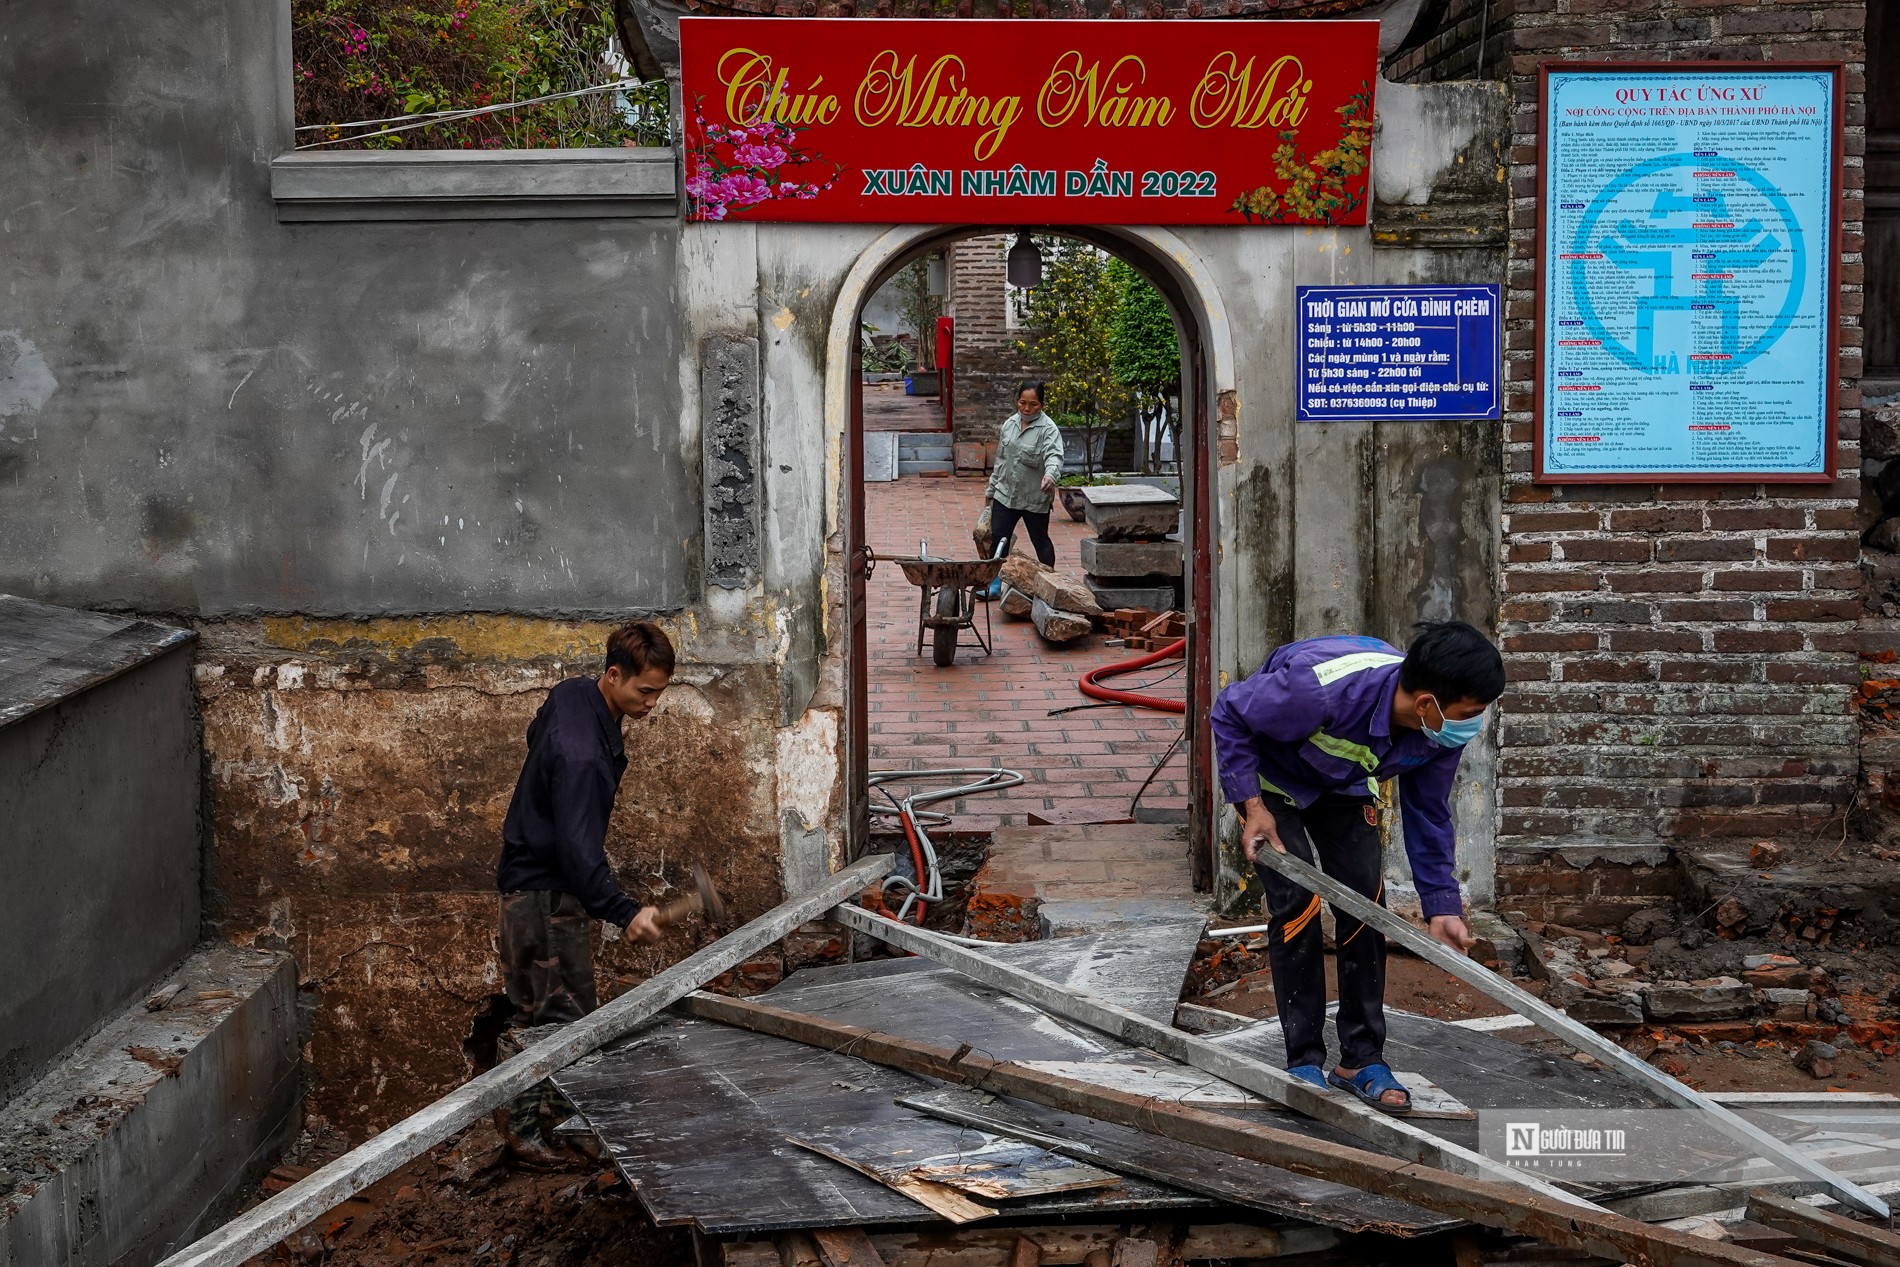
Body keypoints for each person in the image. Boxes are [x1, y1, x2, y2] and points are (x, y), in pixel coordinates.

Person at [1208, 622, 1504, 1114]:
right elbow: (1229, 712)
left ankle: (1360, 1059)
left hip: (1343, 788)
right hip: (1273, 784)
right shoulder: (1317, 693)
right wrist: (1250, 803)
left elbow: (1429, 812)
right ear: (1427, 702)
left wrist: (1441, 905)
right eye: (1470, 712)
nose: (1474, 723)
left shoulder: (1439, 732)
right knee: (1299, 904)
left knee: (1365, 904)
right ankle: (1302, 1059)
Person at [491, 620, 673, 1165]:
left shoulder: (572, 693)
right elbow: (578, 852)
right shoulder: (583, 758)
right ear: (614, 675)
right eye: (645, 691)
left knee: (539, 1010)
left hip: (528, 884)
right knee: (558, 1018)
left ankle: (552, 1128)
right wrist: (624, 911)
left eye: (660, 692)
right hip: (546, 896)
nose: (652, 704)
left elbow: (534, 736)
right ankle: (528, 1136)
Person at [985, 381, 1065, 567]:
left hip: (1034, 498)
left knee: (1040, 541)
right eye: (1022, 403)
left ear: (1042, 405)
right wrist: (992, 489)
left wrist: (1050, 475)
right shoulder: (1010, 424)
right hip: (1006, 494)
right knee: (998, 539)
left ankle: (1050, 580)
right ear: (1017, 401)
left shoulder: (1048, 429)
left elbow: (1054, 455)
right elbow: (1001, 460)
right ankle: (993, 582)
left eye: (1033, 404)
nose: (1027, 408)